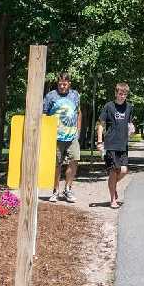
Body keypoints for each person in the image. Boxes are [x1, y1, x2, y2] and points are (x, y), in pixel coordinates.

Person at [42, 71, 82, 203]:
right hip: (55, 137)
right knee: (56, 164)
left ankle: (68, 189)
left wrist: (78, 130)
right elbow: (44, 114)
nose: (62, 86)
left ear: (69, 84)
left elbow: (78, 112)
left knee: (74, 160)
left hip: (72, 136)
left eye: (65, 84)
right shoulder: (51, 96)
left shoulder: (75, 95)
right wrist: (46, 133)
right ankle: (55, 191)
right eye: (60, 84)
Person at [97, 82, 135, 209]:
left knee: (124, 171)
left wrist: (132, 129)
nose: (122, 96)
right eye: (120, 94)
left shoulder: (129, 107)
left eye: (124, 94)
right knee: (113, 172)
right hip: (111, 144)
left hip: (123, 145)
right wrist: (99, 142)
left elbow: (129, 124)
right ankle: (113, 200)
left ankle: (112, 186)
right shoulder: (109, 106)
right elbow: (101, 124)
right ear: (116, 93)